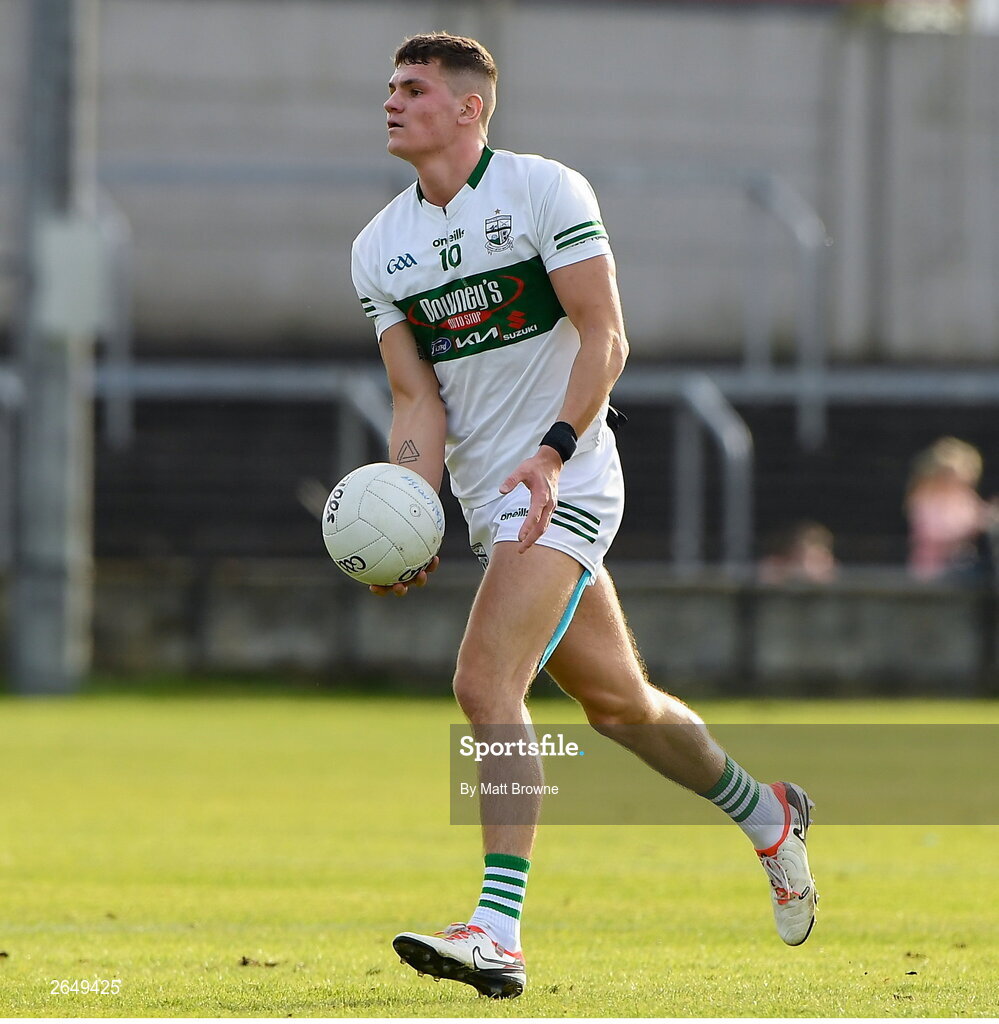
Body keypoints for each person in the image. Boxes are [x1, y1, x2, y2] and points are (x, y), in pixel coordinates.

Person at [350, 32, 817, 1000]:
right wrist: (411, 508)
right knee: (620, 708)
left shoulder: (544, 190)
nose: (392, 101)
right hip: (491, 500)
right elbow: (415, 402)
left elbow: (606, 335)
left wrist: (555, 449)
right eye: (390, 87)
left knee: (485, 684)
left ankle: (497, 929)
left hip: (570, 480)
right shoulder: (378, 246)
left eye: (414, 88)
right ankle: (767, 812)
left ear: (471, 108)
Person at [905, 436, 998, 582]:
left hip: (964, 567)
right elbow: (933, 533)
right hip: (934, 570)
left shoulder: (965, 497)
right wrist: (972, 526)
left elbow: (981, 515)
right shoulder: (927, 498)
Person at [758, 520, 838, 585]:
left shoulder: (833, 572)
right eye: (812, 559)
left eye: (820, 560)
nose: (819, 566)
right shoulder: (775, 569)